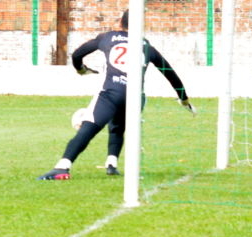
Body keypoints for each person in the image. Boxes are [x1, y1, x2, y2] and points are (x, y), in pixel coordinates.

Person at [38, 10, 194, 180]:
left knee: (88, 128)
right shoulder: (147, 46)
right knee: (118, 127)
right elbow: (169, 73)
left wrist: (81, 69)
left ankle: (62, 167)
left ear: (120, 22)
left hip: (111, 93)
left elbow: (77, 54)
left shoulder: (107, 37)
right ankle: (111, 164)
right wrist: (184, 99)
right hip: (135, 97)